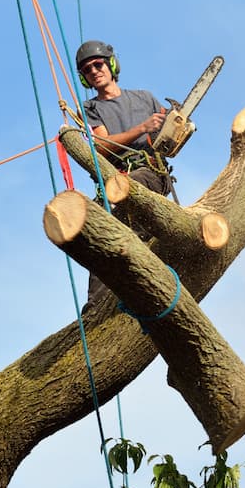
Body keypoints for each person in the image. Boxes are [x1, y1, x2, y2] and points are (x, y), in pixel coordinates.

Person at [76, 39, 172, 310]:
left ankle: (146, 268)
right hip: (116, 181)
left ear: (111, 64)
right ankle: (97, 307)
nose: (94, 71)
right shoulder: (91, 109)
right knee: (95, 229)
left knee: (135, 186)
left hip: (148, 173)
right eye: (87, 69)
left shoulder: (144, 97)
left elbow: (168, 138)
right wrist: (142, 127)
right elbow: (103, 147)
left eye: (98, 64)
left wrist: (173, 126)